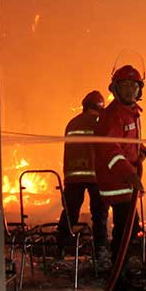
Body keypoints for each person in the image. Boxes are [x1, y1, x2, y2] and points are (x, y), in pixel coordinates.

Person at [94, 64, 146, 290]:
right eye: (124, 85)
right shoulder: (114, 114)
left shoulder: (130, 111)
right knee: (125, 229)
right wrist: (130, 175)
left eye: (133, 85)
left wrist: (140, 150)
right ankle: (118, 279)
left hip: (124, 180)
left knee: (128, 227)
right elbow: (111, 150)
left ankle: (121, 272)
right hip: (117, 182)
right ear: (115, 89)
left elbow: (126, 143)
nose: (129, 90)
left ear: (139, 89)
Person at [56, 90, 108, 258]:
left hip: (73, 176)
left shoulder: (72, 123)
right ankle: (100, 249)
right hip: (96, 176)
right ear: (100, 107)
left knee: (70, 213)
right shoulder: (101, 123)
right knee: (99, 214)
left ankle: (61, 247)